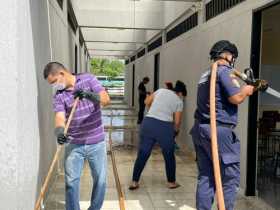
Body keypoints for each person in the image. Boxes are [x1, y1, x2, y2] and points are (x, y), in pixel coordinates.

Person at [190, 40, 255, 210]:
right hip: (218, 131)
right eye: (232, 56)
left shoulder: (206, 74)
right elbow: (236, 98)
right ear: (226, 55)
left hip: (201, 129)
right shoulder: (224, 71)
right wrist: (247, 90)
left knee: (206, 175)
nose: (233, 60)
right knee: (229, 176)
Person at [43, 62, 110, 210]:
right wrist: (59, 131)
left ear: (61, 74)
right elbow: (60, 117)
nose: (54, 86)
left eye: (54, 82)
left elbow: (106, 100)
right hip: (74, 144)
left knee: (101, 181)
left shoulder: (89, 79)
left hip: (96, 142)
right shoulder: (59, 95)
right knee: (71, 183)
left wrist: (89, 95)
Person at [129, 81, 187, 190]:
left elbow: (146, 101)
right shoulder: (179, 101)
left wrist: (154, 111)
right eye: (183, 96)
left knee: (143, 153)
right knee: (169, 154)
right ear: (180, 93)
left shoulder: (160, 90)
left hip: (148, 123)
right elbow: (177, 121)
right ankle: (171, 182)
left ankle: (134, 181)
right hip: (164, 127)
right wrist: (175, 132)